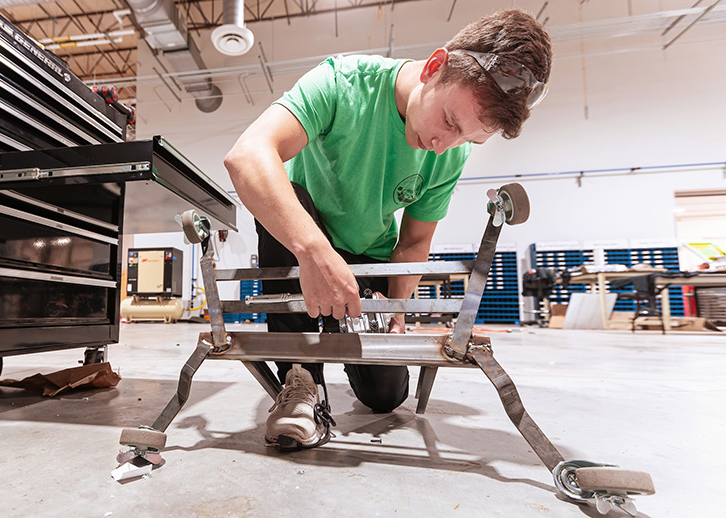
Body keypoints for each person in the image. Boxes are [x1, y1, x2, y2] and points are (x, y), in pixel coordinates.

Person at [223, 9, 552, 450]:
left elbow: (415, 239)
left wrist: (397, 309)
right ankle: (300, 379)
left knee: (385, 397)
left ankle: (352, 344)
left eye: (468, 140)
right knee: (284, 198)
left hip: (367, 258)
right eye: (450, 123)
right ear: (435, 67)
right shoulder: (343, 81)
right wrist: (314, 252)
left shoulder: (448, 154)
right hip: (305, 237)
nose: (443, 146)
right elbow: (247, 156)